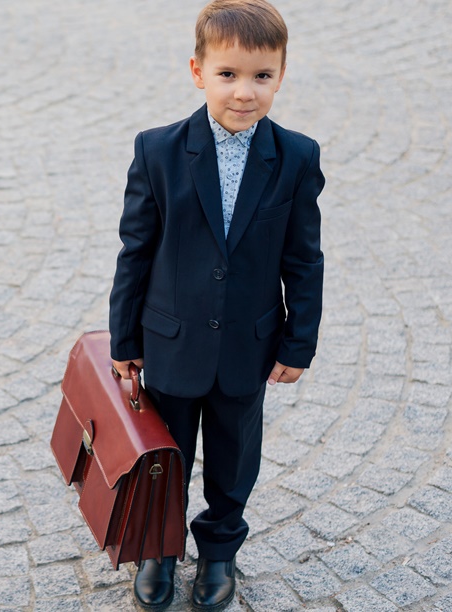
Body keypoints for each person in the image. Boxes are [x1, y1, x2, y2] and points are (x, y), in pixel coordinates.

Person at [108, 0, 325, 609]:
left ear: (282, 74)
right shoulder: (158, 151)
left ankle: (221, 550)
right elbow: (136, 251)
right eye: (228, 74)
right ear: (198, 71)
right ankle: (159, 548)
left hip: (246, 346)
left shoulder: (297, 157)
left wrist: (297, 341)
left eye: (262, 76)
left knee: (234, 462)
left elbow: (304, 259)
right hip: (170, 341)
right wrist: (124, 340)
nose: (245, 92)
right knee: (165, 456)